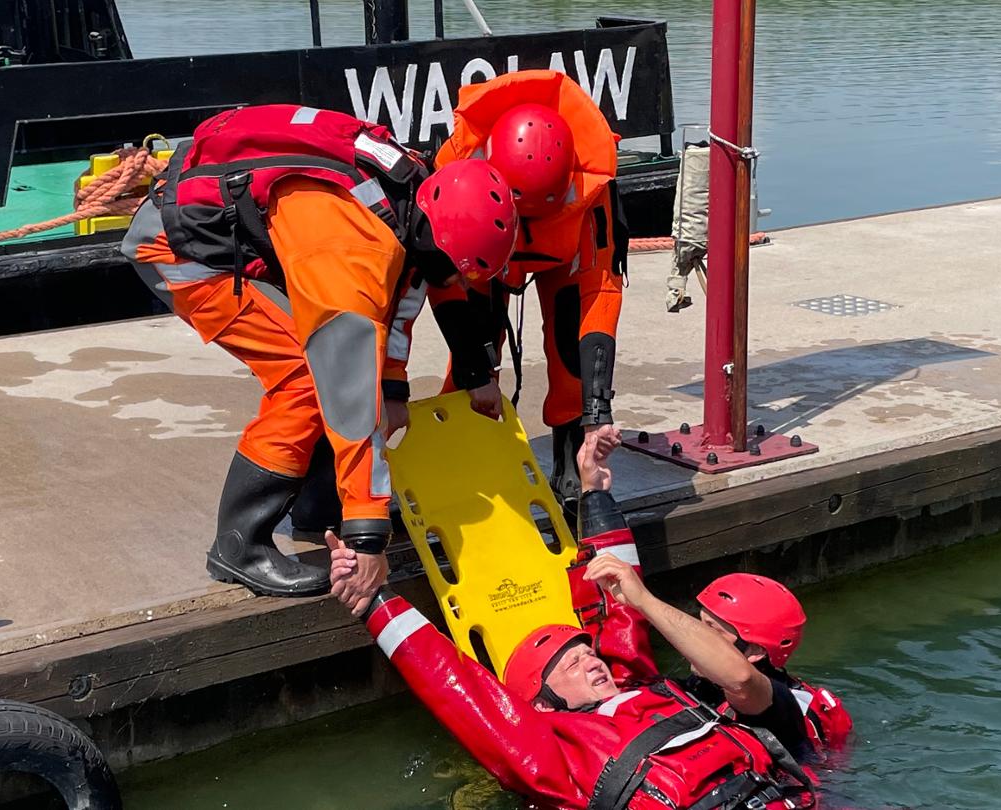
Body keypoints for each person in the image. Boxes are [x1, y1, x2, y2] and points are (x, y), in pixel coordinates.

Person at [122, 104, 512, 599]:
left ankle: (318, 507)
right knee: (308, 379)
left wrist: (394, 387)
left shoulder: (415, 195)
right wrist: (368, 537)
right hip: (181, 251)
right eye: (454, 271)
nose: (453, 284)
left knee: (338, 369)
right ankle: (239, 546)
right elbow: (347, 391)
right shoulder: (354, 249)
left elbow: (404, 296)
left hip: (263, 232)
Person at [327, 431, 820, 809]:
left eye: (588, 651)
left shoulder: (649, 692)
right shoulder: (553, 749)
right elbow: (457, 687)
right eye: (573, 663)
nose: (592, 660)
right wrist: (374, 600)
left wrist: (597, 497)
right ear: (542, 703)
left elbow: (620, 613)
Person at [429, 70, 632, 514]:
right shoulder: (460, 170)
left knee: (569, 349)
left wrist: (599, 411)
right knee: (474, 353)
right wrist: (475, 373)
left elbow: (600, 295)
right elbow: (446, 288)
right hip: (485, 256)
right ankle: (458, 455)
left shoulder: (592, 188)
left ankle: (571, 462)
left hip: (564, 253)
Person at [690, 574, 855, 764]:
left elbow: (745, 684)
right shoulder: (705, 684)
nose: (695, 637)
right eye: (698, 623)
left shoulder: (774, 708)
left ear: (755, 651)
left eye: (711, 630)